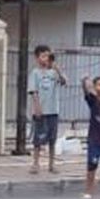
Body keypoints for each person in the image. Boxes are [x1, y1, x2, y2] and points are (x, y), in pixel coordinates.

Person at [28, 45, 67, 175]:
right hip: (41, 110)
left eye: (47, 56)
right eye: (43, 56)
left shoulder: (53, 73)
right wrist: (37, 107)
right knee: (38, 139)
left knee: (52, 138)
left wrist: (58, 70)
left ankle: (51, 164)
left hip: (53, 110)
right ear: (37, 57)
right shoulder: (35, 73)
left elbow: (64, 81)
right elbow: (34, 92)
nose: (46, 59)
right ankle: (35, 163)